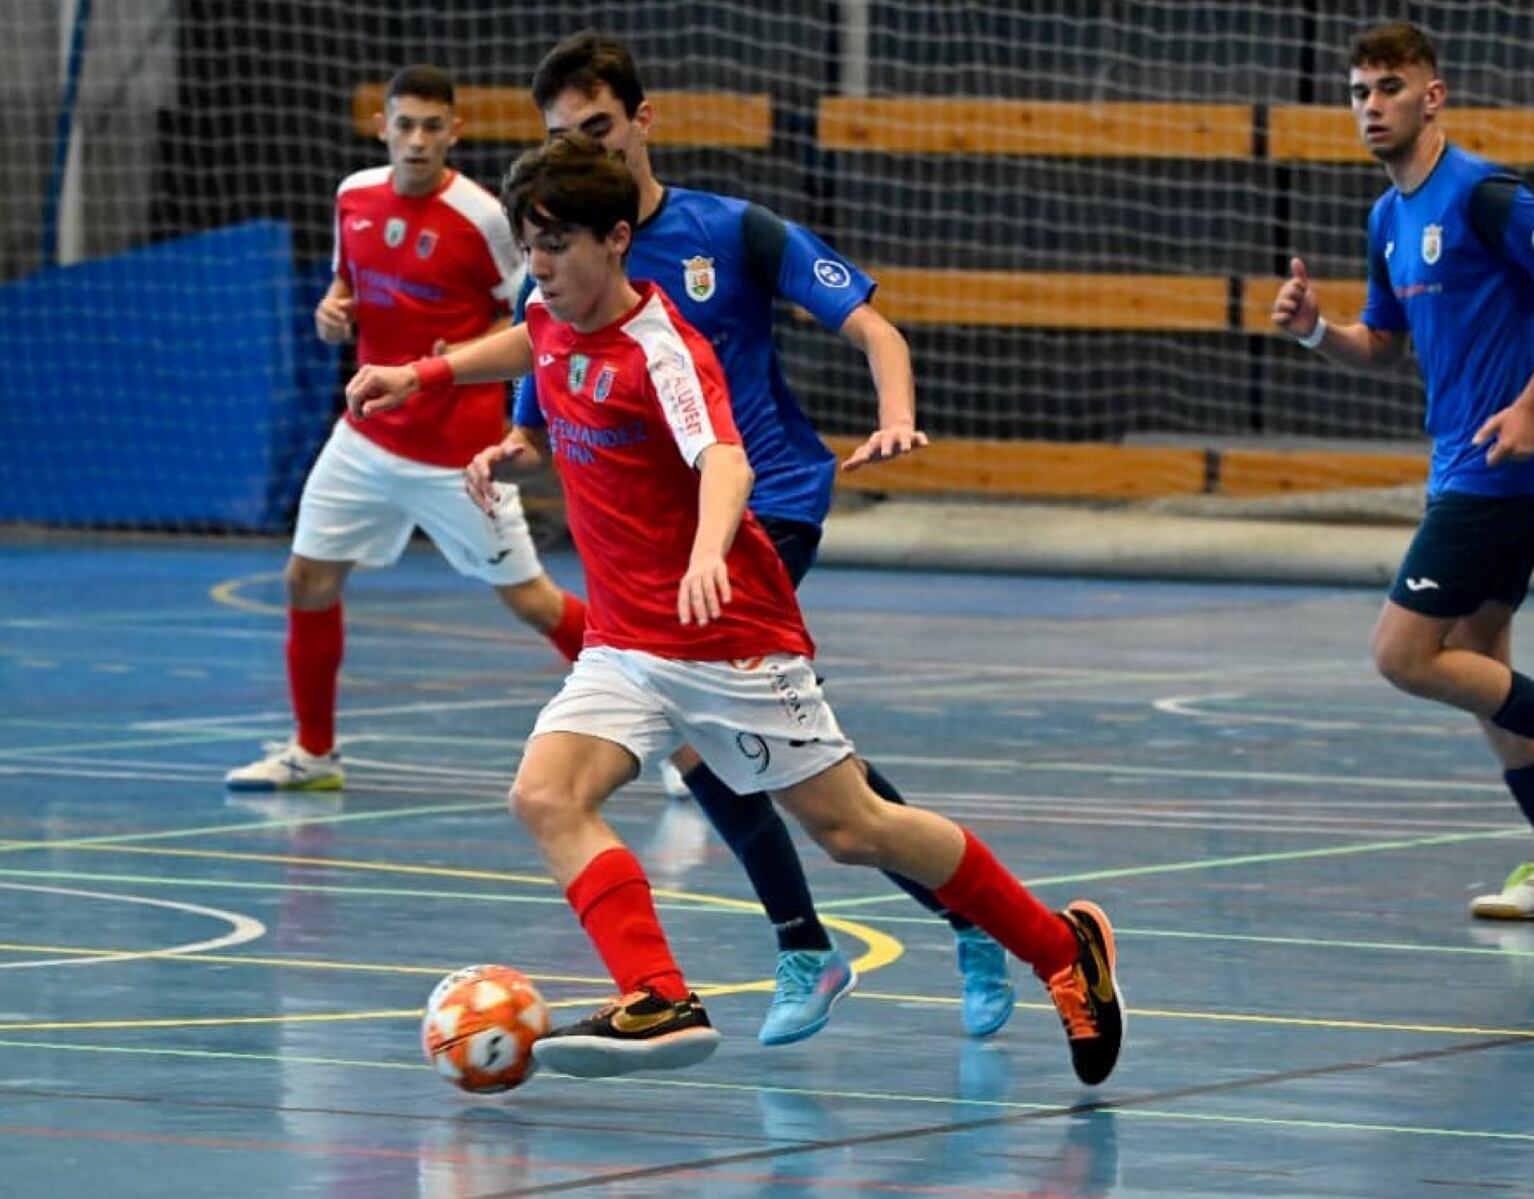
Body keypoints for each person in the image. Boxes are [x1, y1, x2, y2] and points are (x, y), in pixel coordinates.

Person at [345, 135, 1123, 1086]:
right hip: (626, 642)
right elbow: (527, 345)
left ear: (618, 240)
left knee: (853, 829)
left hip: (728, 636)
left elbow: (725, 457)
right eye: (529, 243)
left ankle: (1058, 948)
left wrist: (711, 550)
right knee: (545, 795)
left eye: (557, 245)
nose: (538, 266)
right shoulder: (551, 314)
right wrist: (418, 376)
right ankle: (659, 996)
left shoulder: (664, 348)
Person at [504, 31, 1013, 1046]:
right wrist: (511, 443)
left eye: (599, 131)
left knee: (710, 732)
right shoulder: (561, 263)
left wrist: (895, 409)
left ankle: (828, 939)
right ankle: (939, 916)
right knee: (770, 757)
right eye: (564, 138)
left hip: (761, 499)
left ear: (642, 124)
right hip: (658, 535)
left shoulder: (729, 232)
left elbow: (873, 325)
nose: (586, 153)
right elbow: (537, 384)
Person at [1270, 23, 1534, 919]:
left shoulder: (1482, 192)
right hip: (1461, 463)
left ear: (1431, 97)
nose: (1371, 105)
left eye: (1390, 88)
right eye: (1359, 90)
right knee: (1479, 662)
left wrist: (1527, 403)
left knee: (1403, 653)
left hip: (1508, 462)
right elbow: (1383, 346)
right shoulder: (1385, 217)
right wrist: (1315, 330)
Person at [226, 65, 588, 791]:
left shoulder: (484, 217)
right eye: (405, 124)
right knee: (307, 580)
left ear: (454, 132)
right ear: (382, 128)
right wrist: (332, 310)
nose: (417, 140)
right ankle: (314, 754)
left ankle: (681, 740)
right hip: (364, 438)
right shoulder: (352, 196)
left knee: (533, 601)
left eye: (432, 126)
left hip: (457, 454)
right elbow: (346, 284)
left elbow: (527, 312)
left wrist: (466, 353)